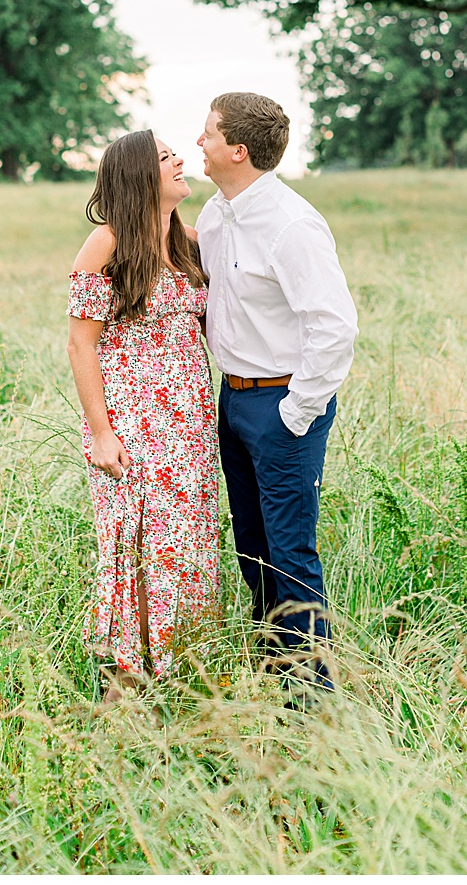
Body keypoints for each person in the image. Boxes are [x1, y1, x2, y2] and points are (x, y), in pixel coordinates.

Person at [195, 92, 359, 694]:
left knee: (289, 553)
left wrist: (296, 412)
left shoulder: (292, 225)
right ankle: (275, 671)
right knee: (252, 547)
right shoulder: (215, 217)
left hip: (284, 404)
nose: (199, 144)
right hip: (232, 400)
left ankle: (313, 698)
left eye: (207, 134)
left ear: (237, 150)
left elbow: (334, 325)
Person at [66, 131, 219, 702]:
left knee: (188, 541)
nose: (180, 160)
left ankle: (186, 670)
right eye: (164, 157)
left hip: (191, 423)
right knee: (136, 540)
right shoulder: (105, 245)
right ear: (138, 177)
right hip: (130, 421)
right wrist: (101, 434)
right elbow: (81, 345)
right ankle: (127, 682)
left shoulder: (190, 242)